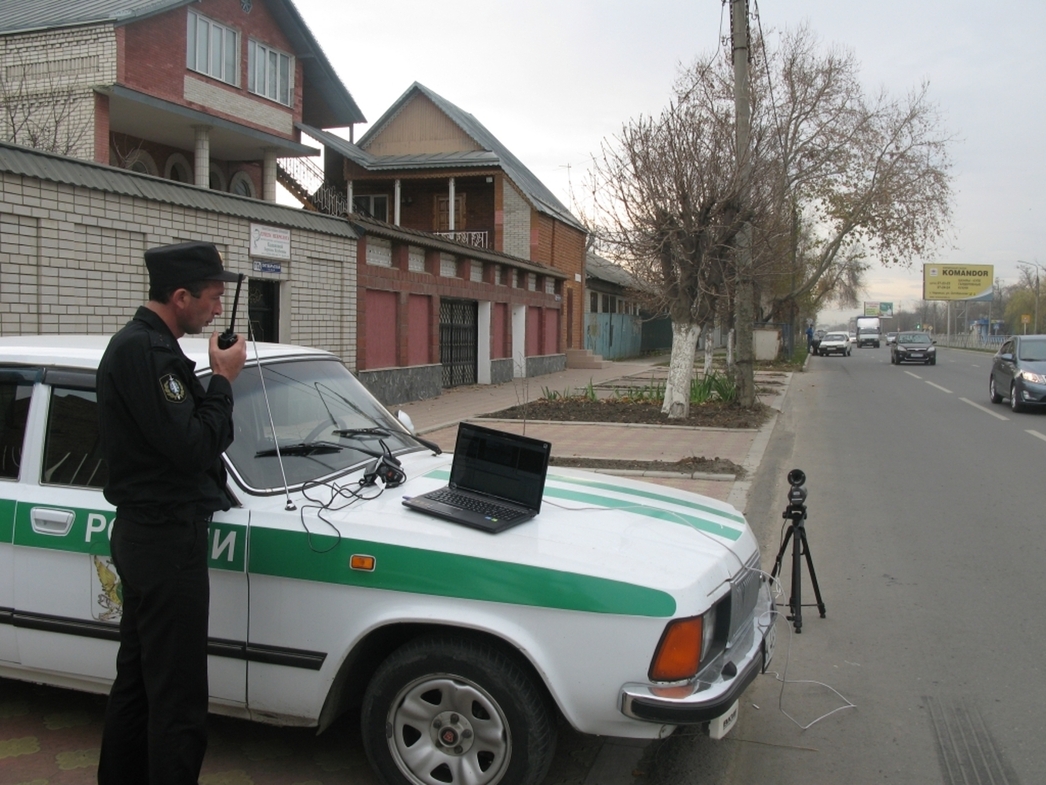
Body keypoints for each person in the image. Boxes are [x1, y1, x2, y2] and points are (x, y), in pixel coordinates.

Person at [96, 241, 247, 785]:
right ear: (180, 296)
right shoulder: (148, 354)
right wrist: (224, 380)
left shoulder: (144, 346)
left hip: (146, 536)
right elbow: (192, 447)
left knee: (137, 681)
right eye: (211, 297)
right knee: (178, 699)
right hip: (164, 541)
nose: (216, 308)